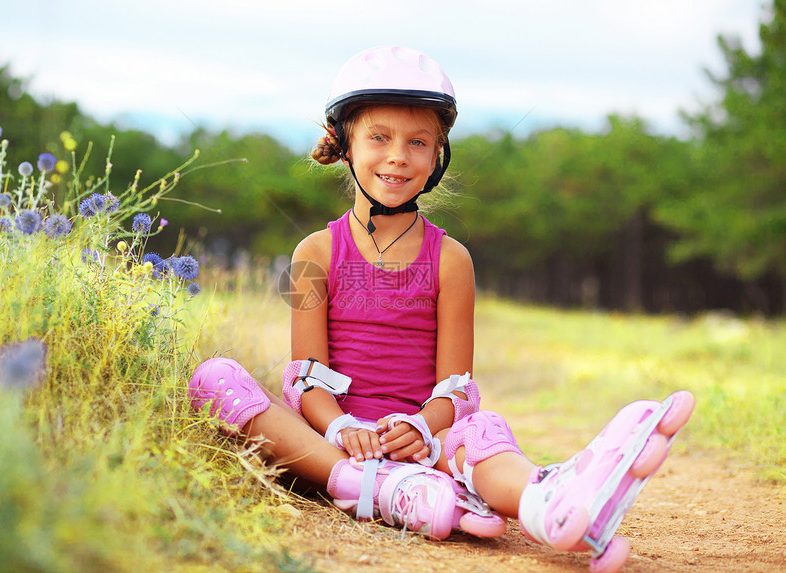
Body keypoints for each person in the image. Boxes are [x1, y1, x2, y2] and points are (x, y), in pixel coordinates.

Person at [188, 46, 694, 572]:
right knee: (216, 378)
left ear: (437, 156)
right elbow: (305, 377)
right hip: (331, 441)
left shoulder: (452, 261)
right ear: (345, 146)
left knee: (482, 431)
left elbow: (456, 388)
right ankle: (373, 484)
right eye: (379, 137)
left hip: (421, 444)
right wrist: (342, 429)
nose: (398, 156)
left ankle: (550, 500)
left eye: (418, 143)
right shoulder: (311, 254)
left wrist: (424, 427)